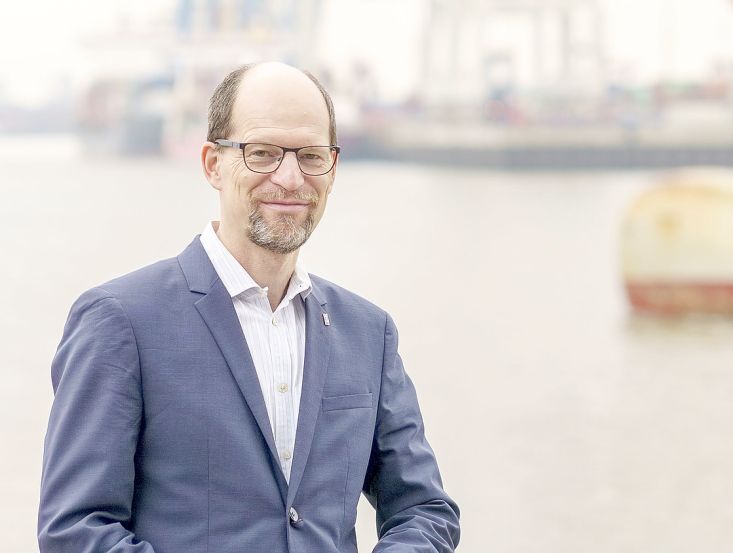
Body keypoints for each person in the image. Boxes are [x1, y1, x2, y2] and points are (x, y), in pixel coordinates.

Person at [38, 62, 461, 553]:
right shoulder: (120, 320)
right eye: (262, 153)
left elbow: (423, 510)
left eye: (310, 155)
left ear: (333, 167)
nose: (289, 178)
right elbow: (75, 529)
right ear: (213, 164)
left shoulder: (369, 332)